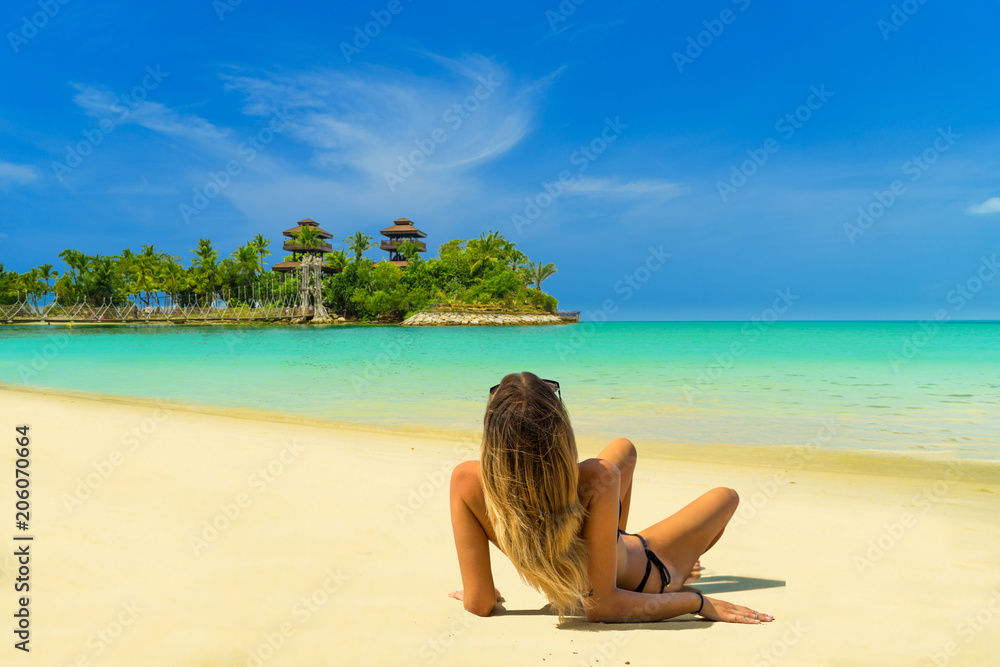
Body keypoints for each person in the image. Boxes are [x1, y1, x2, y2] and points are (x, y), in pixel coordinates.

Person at [448, 372, 774, 624]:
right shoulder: (594, 477)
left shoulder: (466, 481)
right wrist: (698, 602)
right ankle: (639, 558)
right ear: (560, 434)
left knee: (623, 448)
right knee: (726, 497)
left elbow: (480, 604)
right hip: (647, 575)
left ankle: (607, 548)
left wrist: (483, 590)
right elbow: (603, 608)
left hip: (593, 569)